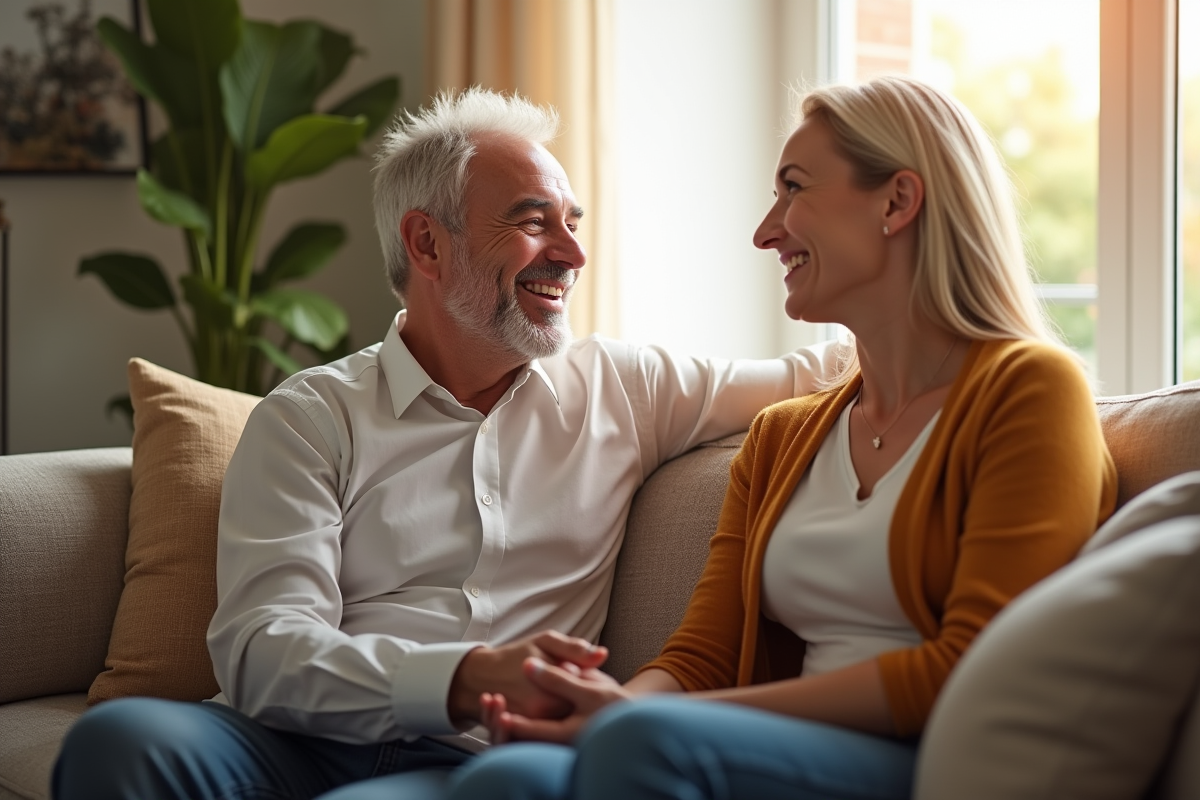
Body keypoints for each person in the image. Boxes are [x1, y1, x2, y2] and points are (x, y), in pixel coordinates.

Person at [51, 89, 837, 800]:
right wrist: (460, 676)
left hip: (472, 761)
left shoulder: (623, 386)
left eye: (572, 222)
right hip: (285, 741)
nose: (572, 251)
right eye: (534, 220)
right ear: (427, 245)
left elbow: (823, 368)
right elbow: (265, 649)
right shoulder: (312, 415)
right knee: (121, 740)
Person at [441, 75, 1119, 800]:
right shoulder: (784, 435)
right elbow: (701, 656)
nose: (766, 230)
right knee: (506, 778)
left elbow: (977, 663)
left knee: (646, 742)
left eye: (793, 189)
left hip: (936, 758)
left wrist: (653, 724)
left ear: (897, 201)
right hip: (763, 748)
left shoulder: (1030, 390)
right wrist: (604, 709)